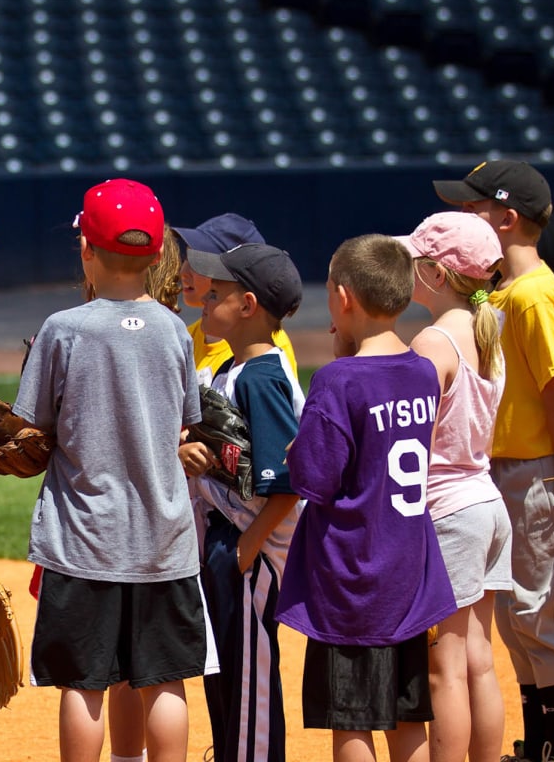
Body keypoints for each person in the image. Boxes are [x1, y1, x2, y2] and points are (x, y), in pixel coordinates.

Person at [14, 179, 207, 762]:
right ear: (155, 257)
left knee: (84, 683)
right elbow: (185, 420)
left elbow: (33, 425)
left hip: (84, 539)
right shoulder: (175, 329)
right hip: (164, 538)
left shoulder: (63, 329)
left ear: (86, 251)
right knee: (165, 679)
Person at [433, 161, 554, 762]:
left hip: (540, 475)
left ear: (505, 219)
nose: (462, 214)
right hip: (505, 475)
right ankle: (538, 748)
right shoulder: (501, 290)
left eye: (471, 207)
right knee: (515, 618)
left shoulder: (533, 296)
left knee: (540, 615)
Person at [279, 234, 457, 762]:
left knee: (352, 720)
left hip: (353, 578)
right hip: (408, 571)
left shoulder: (338, 379)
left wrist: (296, 445)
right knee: (407, 720)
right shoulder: (423, 372)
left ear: (343, 297)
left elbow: (314, 478)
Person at [181, 239, 306, 762]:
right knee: (224, 671)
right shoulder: (234, 371)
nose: (206, 301)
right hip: (229, 543)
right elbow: (240, 462)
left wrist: (245, 551)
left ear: (248, 306)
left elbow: (289, 482)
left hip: (249, 552)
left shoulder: (264, 379)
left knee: (248, 678)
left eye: (217, 294)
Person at [397, 212, 512, 762]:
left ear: (439, 276)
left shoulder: (432, 340)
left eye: (417, 263)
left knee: (444, 669)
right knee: (479, 659)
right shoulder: (489, 332)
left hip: (446, 513)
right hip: (486, 504)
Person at [172, 214, 299, 378]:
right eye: (186, 258)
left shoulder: (266, 347)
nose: (183, 272)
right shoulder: (186, 338)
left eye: (199, 263)